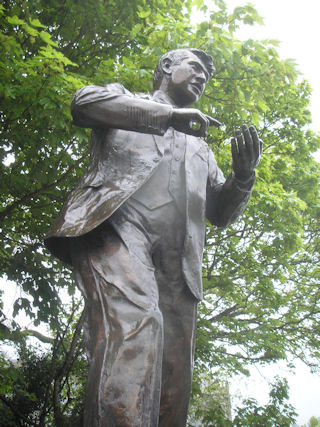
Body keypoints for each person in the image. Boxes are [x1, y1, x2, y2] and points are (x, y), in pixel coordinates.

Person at [45, 48, 262, 427]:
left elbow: (220, 213)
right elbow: (83, 103)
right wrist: (170, 117)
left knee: (174, 377)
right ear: (165, 67)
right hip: (116, 230)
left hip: (178, 261)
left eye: (206, 77)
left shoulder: (202, 148)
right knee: (137, 324)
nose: (201, 78)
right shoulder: (127, 101)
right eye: (194, 68)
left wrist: (242, 177)